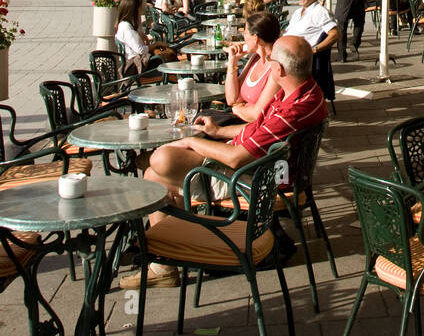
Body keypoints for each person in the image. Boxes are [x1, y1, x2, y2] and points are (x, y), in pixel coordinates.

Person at [120, 36, 327, 289]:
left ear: (279, 69)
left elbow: (236, 158)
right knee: (155, 175)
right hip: (265, 167)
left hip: (258, 180)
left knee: (159, 165)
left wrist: (192, 143)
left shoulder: (291, 109)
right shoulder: (304, 93)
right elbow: (258, 129)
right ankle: (171, 257)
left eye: (271, 60)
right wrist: (217, 132)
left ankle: (174, 257)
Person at [282, 0, 339, 98]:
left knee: (271, 71)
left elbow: (334, 34)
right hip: (286, 52)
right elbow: (289, 32)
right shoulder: (298, 12)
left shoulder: (320, 12)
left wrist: (315, 49)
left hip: (300, 59)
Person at [224, 11, 282, 122]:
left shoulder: (276, 67)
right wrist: (233, 61)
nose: (243, 37)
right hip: (242, 121)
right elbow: (231, 99)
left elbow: (257, 114)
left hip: (255, 129)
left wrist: (237, 109)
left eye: (245, 33)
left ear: (255, 38)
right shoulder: (255, 59)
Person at [115, 0, 166, 77]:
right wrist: (156, 44)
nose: (142, 10)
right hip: (137, 67)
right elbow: (141, 50)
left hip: (137, 63)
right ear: (135, 10)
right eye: (140, 7)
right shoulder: (126, 27)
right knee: (167, 63)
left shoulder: (125, 25)